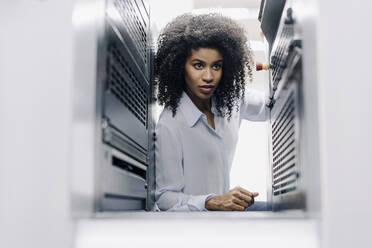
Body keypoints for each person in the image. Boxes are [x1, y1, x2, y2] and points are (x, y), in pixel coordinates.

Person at [154, 13, 268, 211]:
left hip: (222, 221)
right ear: (180, 66)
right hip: (189, 229)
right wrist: (211, 201)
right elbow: (164, 198)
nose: (208, 76)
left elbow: (273, 106)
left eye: (216, 66)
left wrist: (271, 42)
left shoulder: (232, 100)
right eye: (198, 65)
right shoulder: (170, 124)